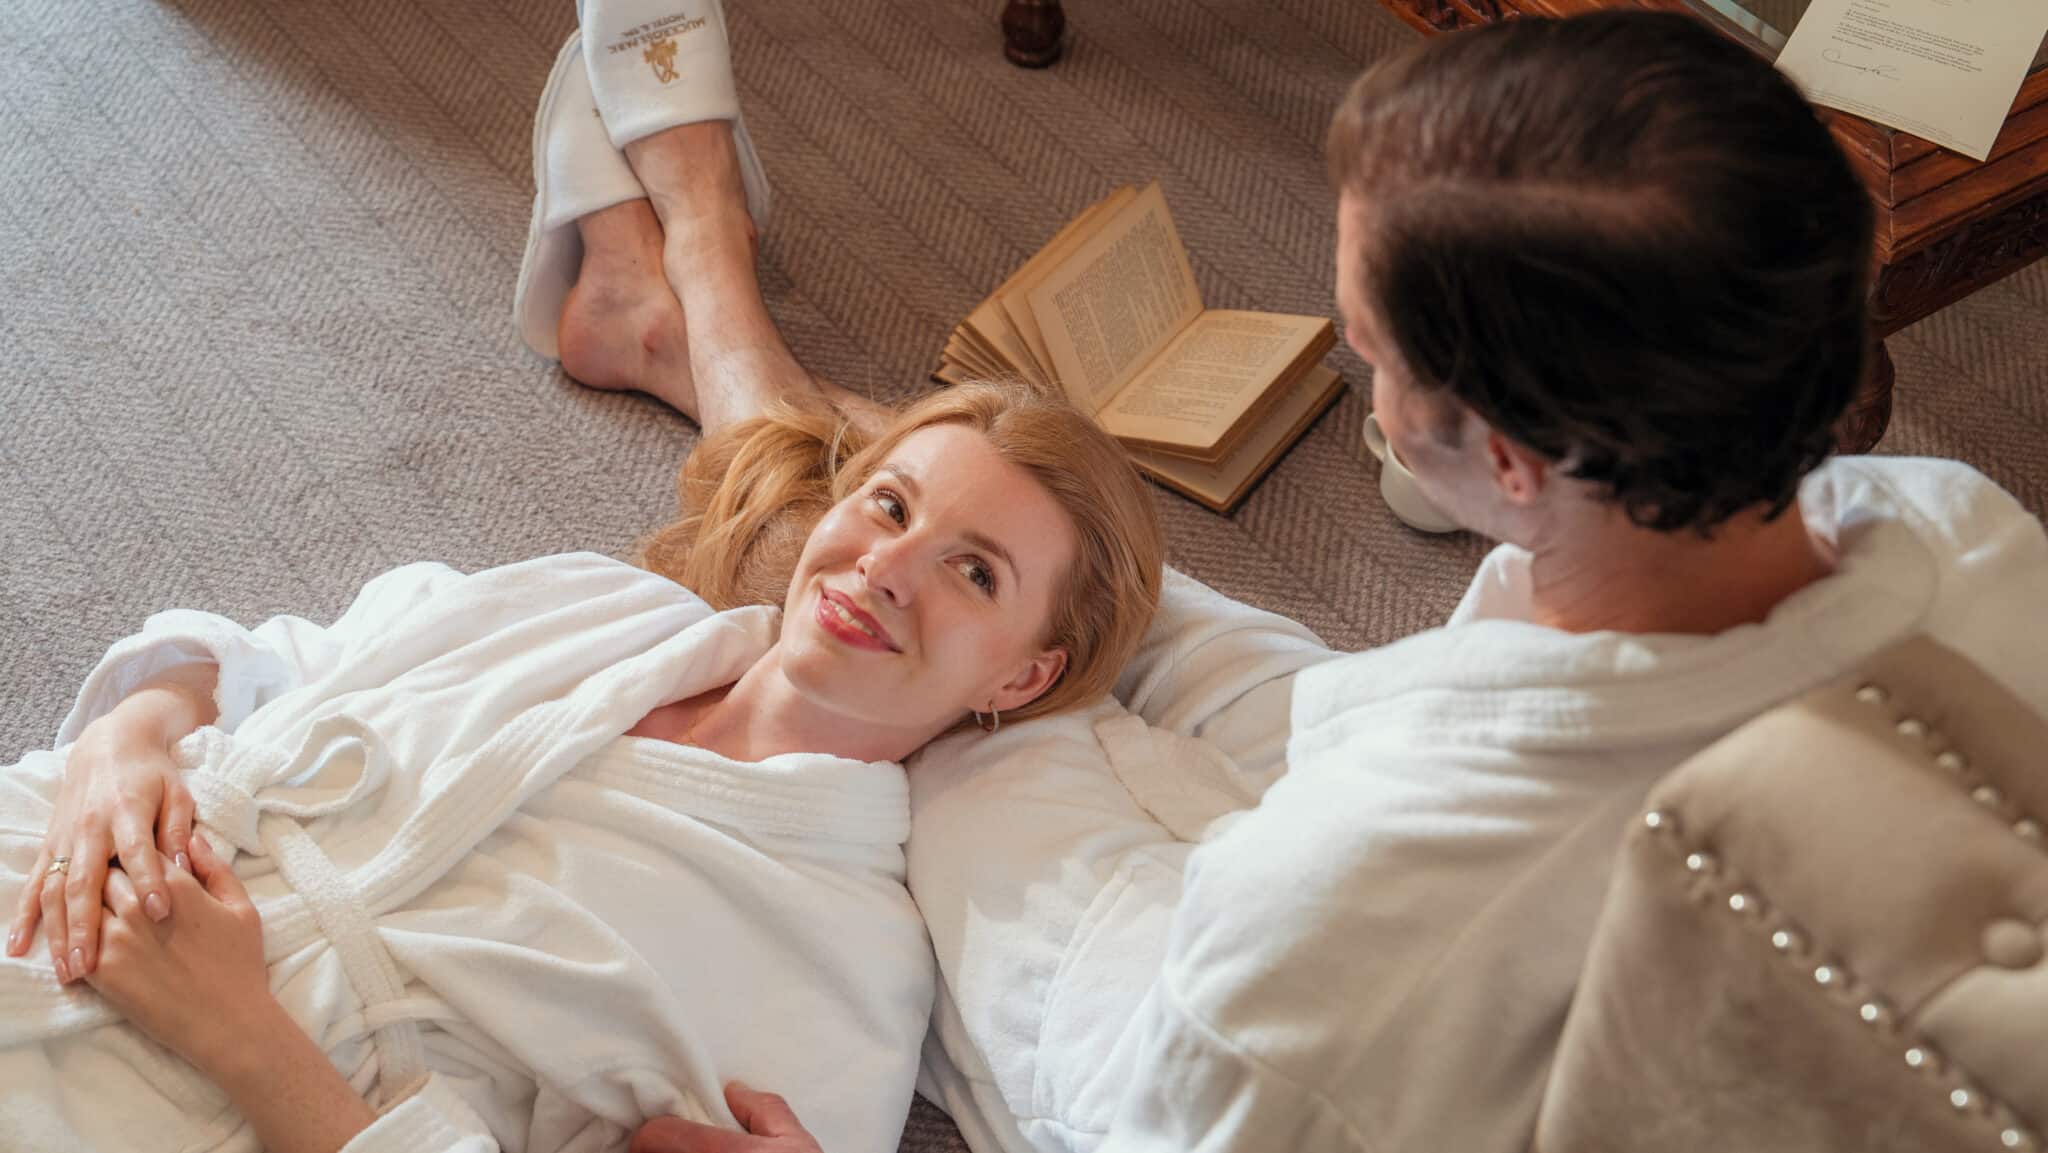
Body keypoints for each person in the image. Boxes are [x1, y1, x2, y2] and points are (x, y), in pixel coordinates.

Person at [627, 12, 2048, 1153]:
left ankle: (714, 315)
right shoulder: (1959, 530)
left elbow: (1193, 1089)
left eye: (1367, 354)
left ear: (1503, 461)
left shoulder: (1335, 926)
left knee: (942, 644)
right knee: (1028, 556)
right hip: (1508, 811)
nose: (1360, 379)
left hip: (1184, 1036)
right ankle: (747, 363)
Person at [0, 31, 1167, 1151]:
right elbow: (268, 658)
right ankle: (682, 268)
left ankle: (687, 261)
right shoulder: (595, 604)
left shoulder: (847, 967)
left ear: (1023, 675)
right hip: (39, 866)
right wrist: (122, 742)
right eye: (890, 504)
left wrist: (240, 1033)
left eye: (974, 571)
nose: (886, 569)